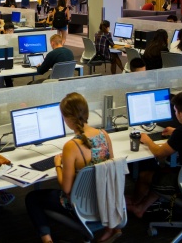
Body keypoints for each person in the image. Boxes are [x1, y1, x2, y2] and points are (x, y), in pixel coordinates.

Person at [25, 92, 121, 243]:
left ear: (67, 119)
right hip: (103, 198)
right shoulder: (104, 135)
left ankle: (47, 240)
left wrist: (58, 165)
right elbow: (109, 167)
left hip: (81, 204)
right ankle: (110, 227)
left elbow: (66, 189)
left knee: (32, 198)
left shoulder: (72, 146)